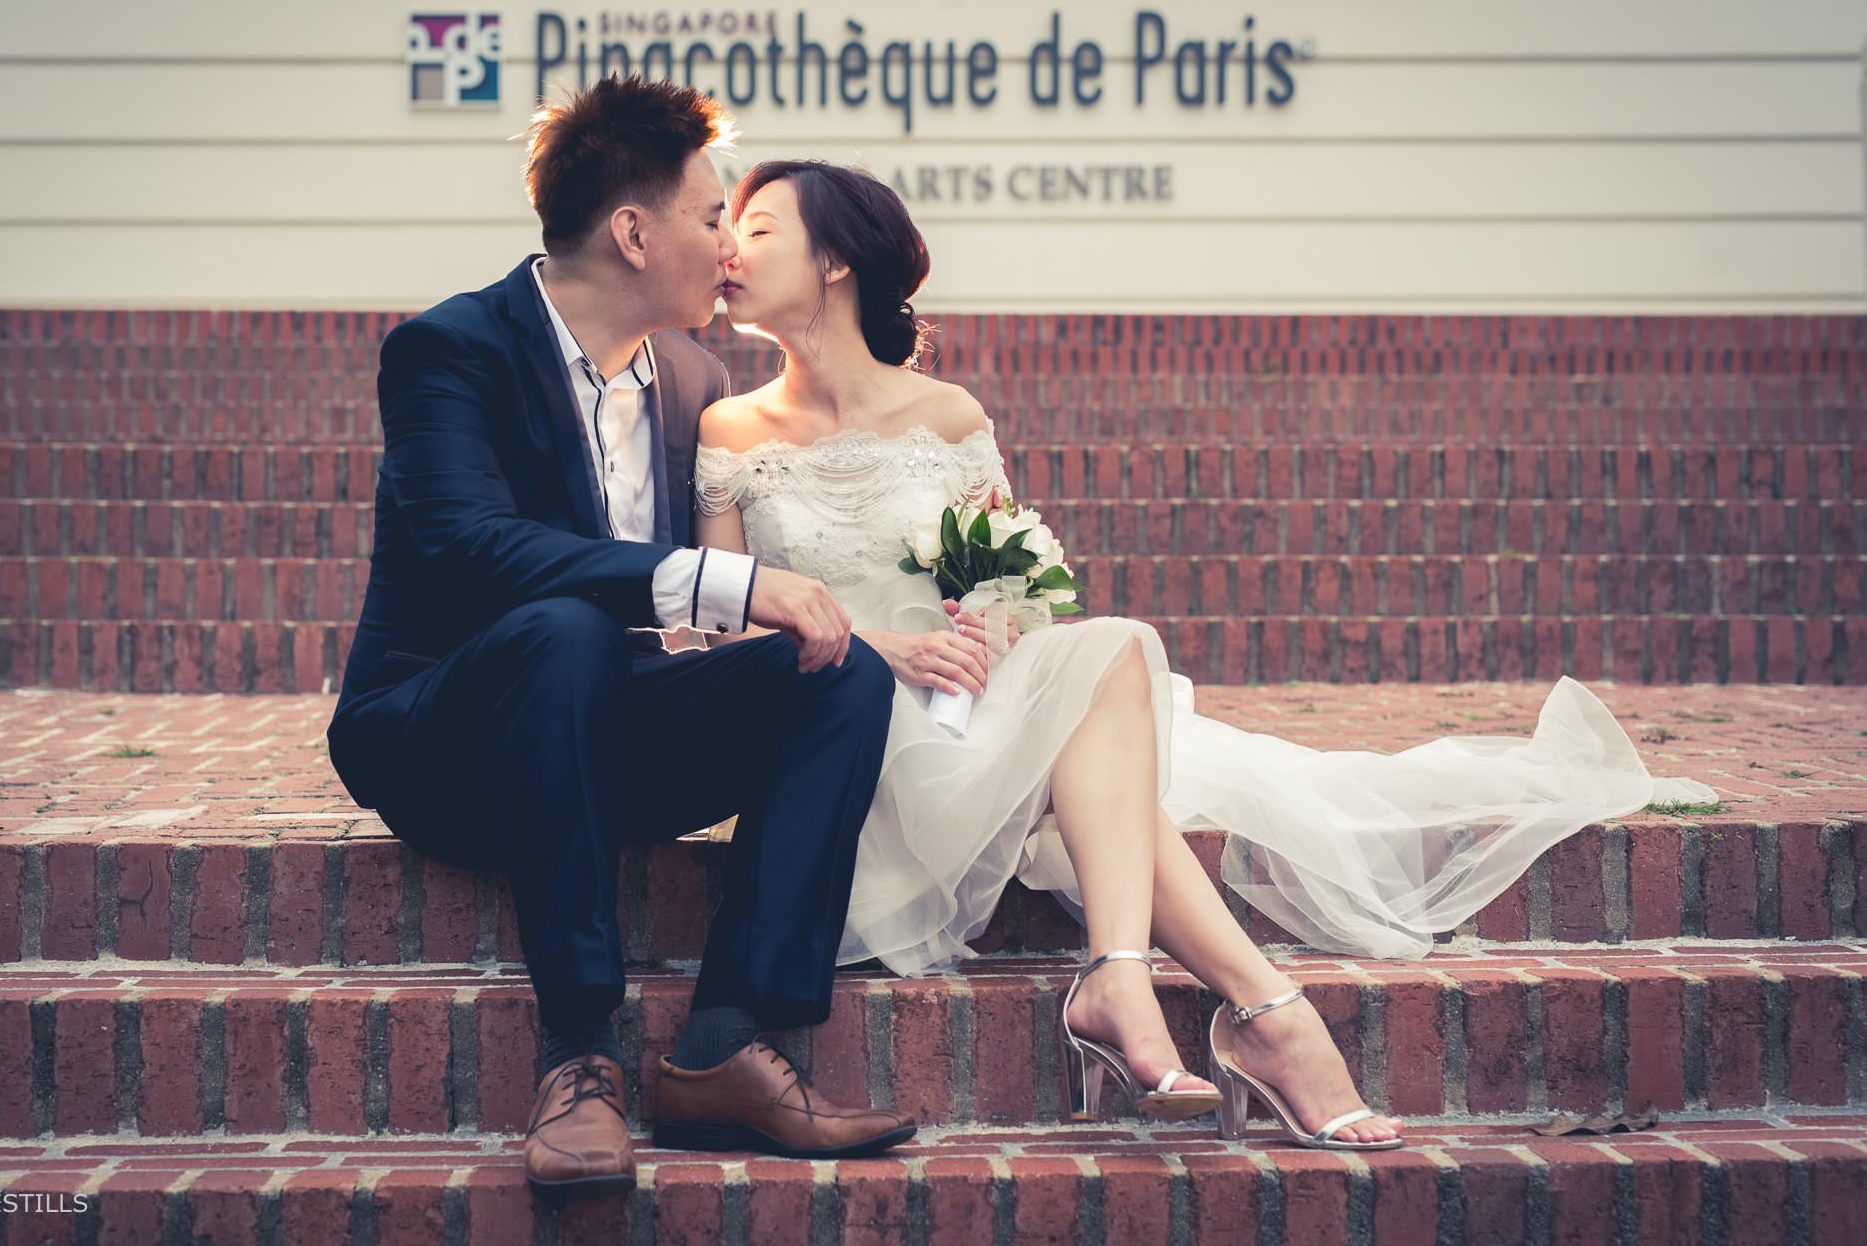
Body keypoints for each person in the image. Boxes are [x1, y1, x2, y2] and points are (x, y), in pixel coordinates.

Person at [692, 159, 1721, 1149]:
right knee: (1114, 722)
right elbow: (723, 626)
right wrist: (882, 644)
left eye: (759, 227)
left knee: (1112, 656)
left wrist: (988, 630)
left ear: (834, 261)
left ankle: (1140, 977)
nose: (729, 247)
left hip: (967, 715)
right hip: (844, 747)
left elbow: (1003, 582)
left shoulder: (949, 414)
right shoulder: (728, 428)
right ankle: (1254, 1008)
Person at [326, 81, 916, 1194]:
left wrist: (762, 616)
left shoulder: (692, 375)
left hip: (604, 735)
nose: (728, 250)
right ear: (633, 231)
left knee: (839, 675)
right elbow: (470, 547)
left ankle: (724, 1044)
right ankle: (580, 1054)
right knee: (561, 628)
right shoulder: (450, 348)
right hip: (447, 736)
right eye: (709, 219)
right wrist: (729, 581)